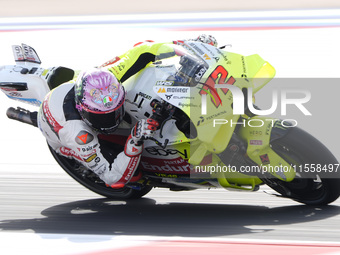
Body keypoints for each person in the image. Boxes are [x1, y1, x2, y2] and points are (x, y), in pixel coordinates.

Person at [8, 34, 218, 188]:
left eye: (113, 111)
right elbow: (113, 178)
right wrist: (134, 139)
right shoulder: (77, 134)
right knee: (132, 179)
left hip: (79, 91)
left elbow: (144, 49)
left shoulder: (107, 77)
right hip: (62, 135)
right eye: (104, 115)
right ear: (83, 110)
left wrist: (188, 48)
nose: (111, 120)